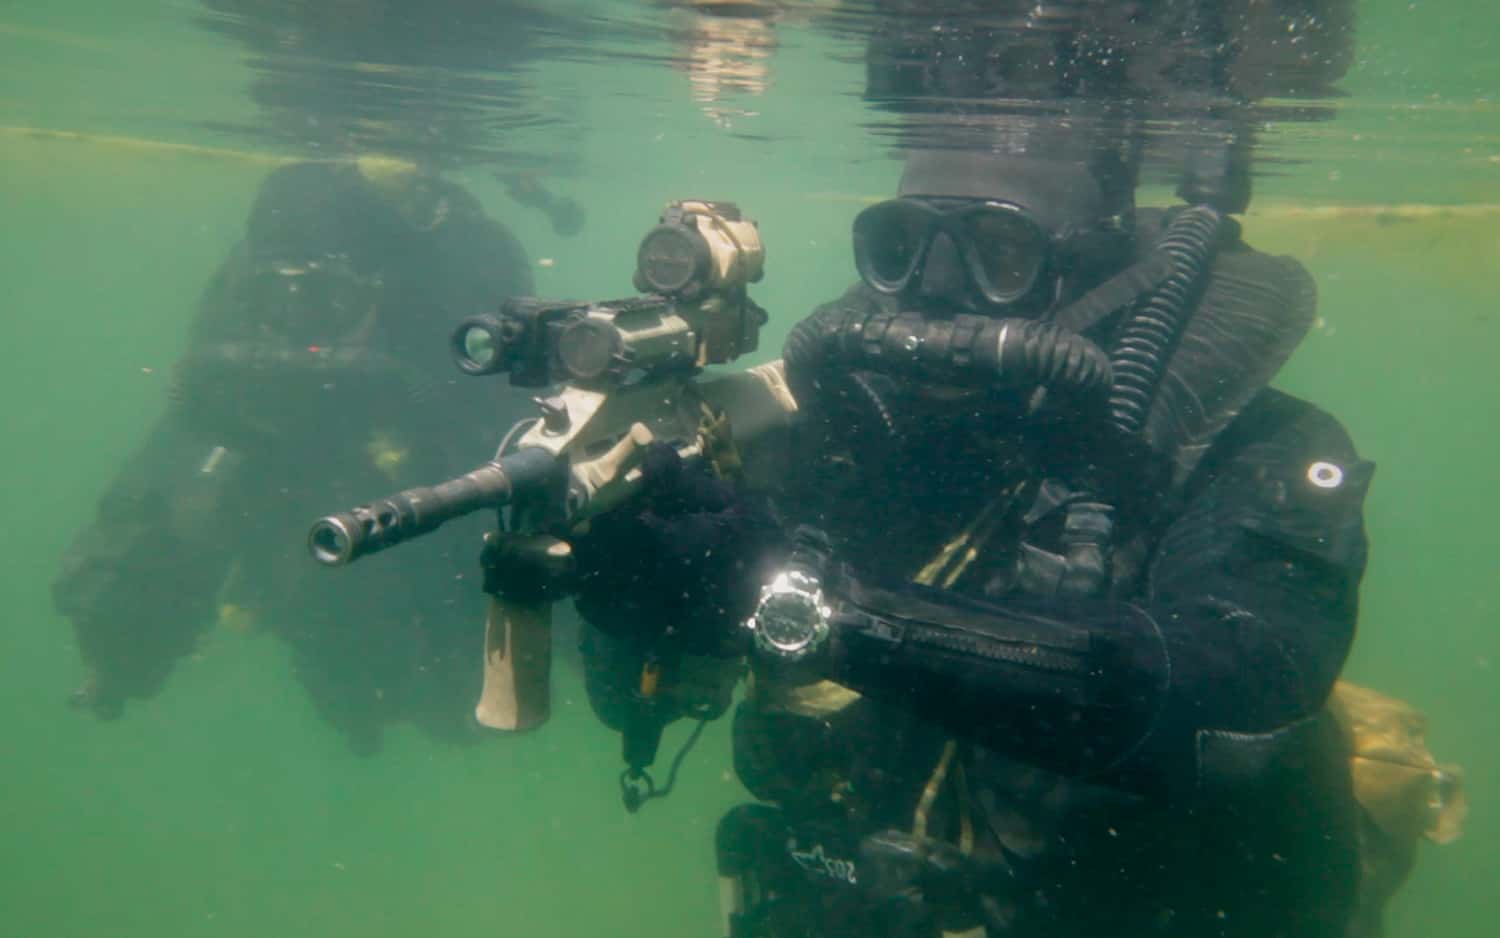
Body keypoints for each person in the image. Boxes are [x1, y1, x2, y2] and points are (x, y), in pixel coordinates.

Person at [559, 4, 1390, 934]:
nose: (936, 294)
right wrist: (616, 563)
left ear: (1106, 269)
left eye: (1000, 255)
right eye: (900, 247)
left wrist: (822, 619)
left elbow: (1228, 695)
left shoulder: (1261, 448)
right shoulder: (846, 431)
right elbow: (661, 669)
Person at [53, 158, 540, 753]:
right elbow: (171, 486)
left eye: (326, 298)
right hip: (332, 620)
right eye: (278, 294)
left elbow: (520, 449)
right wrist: (121, 634)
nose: (298, 326)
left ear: (377, 291)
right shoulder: (236, 359)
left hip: (444, 591)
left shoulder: (445, 321)